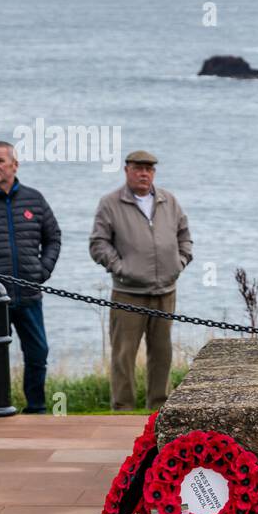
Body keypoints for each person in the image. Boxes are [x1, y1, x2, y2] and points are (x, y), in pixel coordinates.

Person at [0, 141, 62, 413]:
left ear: (14, 165)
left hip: (30, 294)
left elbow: (53, 237)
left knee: (38, 354)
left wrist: (43, 271)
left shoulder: (34, 199)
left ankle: (37, 407)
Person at [89, 150, 193, 410]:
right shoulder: (110, 203)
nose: (144, 173)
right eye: (138, 168)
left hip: (165, 291)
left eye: (149, 169)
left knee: (162, 353)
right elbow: (98, 244)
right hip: (128, 292)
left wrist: (180, 262)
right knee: (123, 354)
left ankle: (159, 406)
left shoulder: (169, 201)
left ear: (154, 173)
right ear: (127, 171)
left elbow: (184, 235)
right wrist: (120, 268)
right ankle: (122, 407)